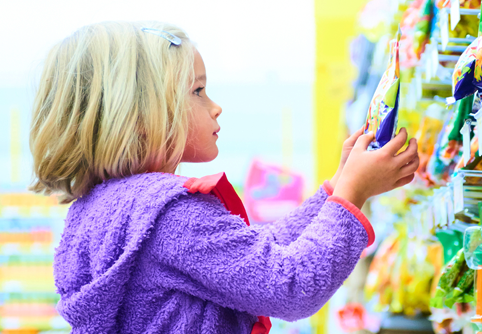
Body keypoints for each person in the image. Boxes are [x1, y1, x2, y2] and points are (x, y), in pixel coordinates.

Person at [29, 21, 419, 334]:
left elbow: (257, 256)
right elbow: (289, 285)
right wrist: (351, 195)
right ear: (139, 117)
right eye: (197, 91)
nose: (215, 107)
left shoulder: (106, 210)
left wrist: (335, 189)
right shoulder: (168, 217)